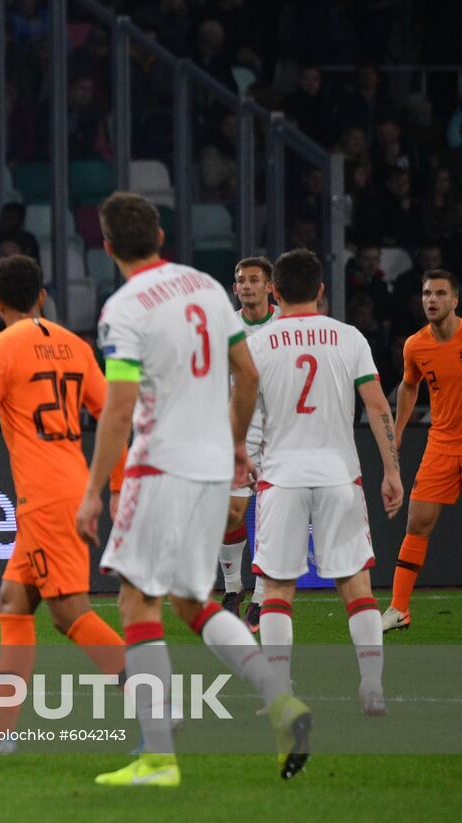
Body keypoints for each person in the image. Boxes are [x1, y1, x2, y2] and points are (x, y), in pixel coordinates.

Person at [76, 192, 311, 787]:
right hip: (212, 469)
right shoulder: (207, 287)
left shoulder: (123, 309)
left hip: (160, 467)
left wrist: (94, 489)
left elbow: (120, 405)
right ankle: (280, 701)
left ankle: (157, 756)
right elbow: (248, 374)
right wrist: (234, 444)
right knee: (189, 599)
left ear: (106, 248)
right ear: (160, 232)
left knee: (136, 601)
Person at [0, 255, 125, 752]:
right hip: (70, 484)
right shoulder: (75, 345)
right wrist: (117, 486)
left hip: (43, 497)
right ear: (42, 296)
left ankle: (158, 705)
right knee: (14, 603)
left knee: (68, 614)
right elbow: (111, 415)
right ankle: (0, 734)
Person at [248, 248, 403, 717]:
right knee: (356, 585)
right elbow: (379, 407)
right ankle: (372, 688)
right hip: (340, 476)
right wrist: (392, 470)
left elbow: (244, 413)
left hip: (281, 478)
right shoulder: (348, 337)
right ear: (320, 291)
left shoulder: (256, 344)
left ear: (274, 291)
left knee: (276, 590)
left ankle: (278, 693)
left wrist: (245, 458)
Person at [384, 270, 462, 630]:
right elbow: (409, 386)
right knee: (417, 522)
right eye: (426, 293)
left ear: (455, 300)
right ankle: (399, 609)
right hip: (442, 441)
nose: (431, 300)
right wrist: (399, 428)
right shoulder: (415, 345)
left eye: (439, 293)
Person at [217, 257, 279, 625]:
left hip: (278, 433)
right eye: (241, 280)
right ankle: (231, 588)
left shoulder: (284, 325)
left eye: (255, 280)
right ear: (235, 287)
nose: (247, 286)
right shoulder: (225, 328)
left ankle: (260, 596)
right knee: (232, 513)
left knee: (271, 518)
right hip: (237, 432)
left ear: (270, 286)